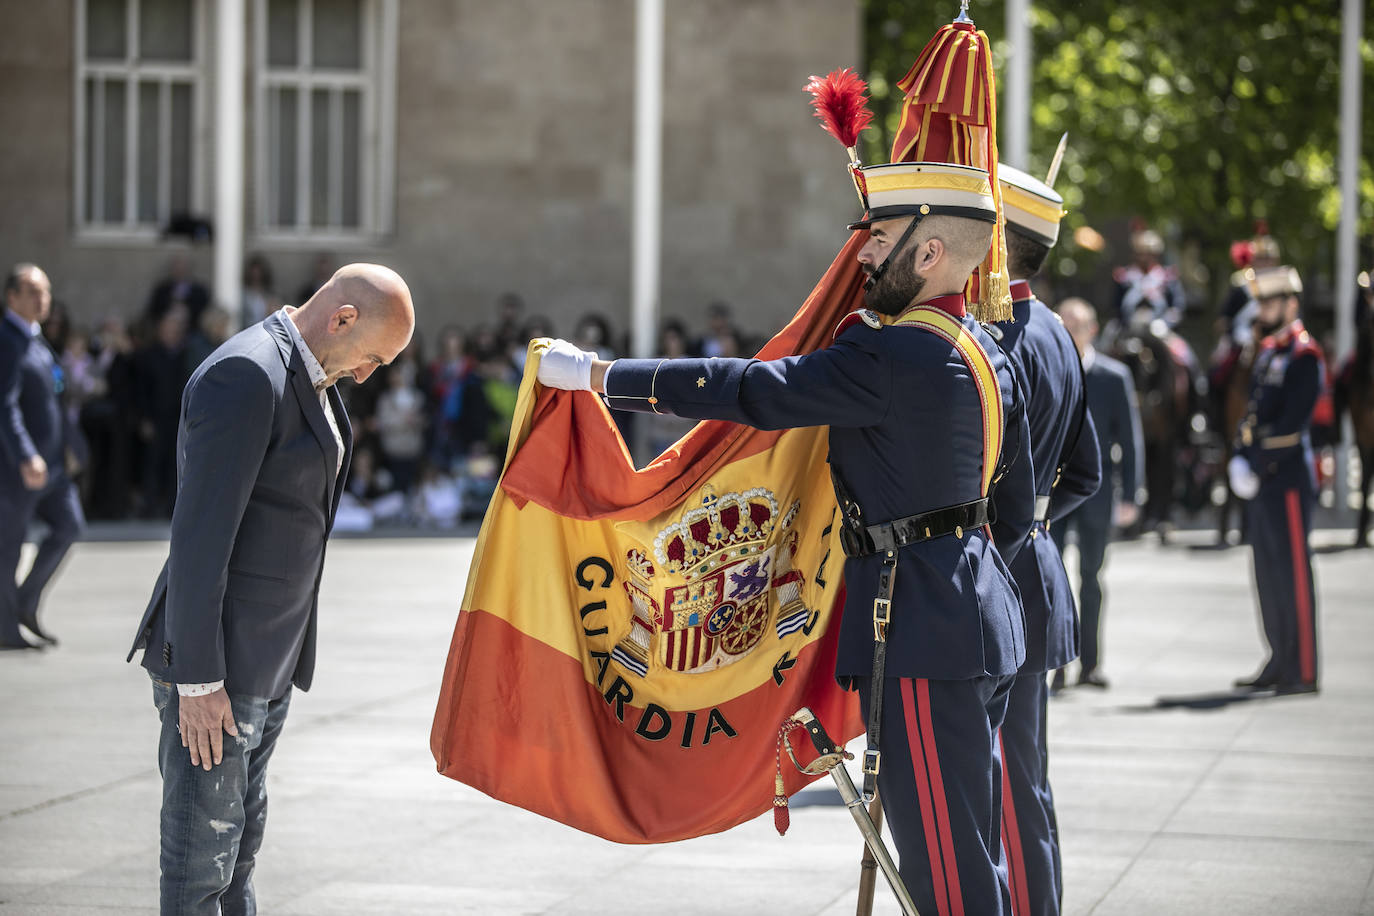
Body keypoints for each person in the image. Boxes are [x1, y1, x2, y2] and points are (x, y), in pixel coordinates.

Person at [538, 75, 1036, 913]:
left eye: (877, 241)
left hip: (921, 625)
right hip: (973, 612)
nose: (861, 256)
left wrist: (602, 375)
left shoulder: (898, 355)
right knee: (969, 849)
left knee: (947, 868)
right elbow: (1013, 503)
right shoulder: (983, 346)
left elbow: (755, 390)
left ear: (929, 253)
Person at [126, 263, 414, 914]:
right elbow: (200, 541)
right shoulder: (249, 375)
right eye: (371, 357)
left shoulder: (311, 372)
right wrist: (197, 682)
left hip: (267, 664)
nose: (368, 374)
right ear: (342, 318)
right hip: (218, 676)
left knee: (236, 861)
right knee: (201, 869)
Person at [988, 166, 1102, 916]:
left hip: (992, 584)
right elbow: (1085, 474)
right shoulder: (1059, 330)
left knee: (998, 774)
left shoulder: (993, 336)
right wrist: (1031, 521)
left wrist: (1005, 532)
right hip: (1035, 567)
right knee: (1023, 773)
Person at [1228, 266, 1322, 695]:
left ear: (1291, 305)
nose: (1264, 309)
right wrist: (1240, 454)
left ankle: (1302, 668)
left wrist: (1258, 458)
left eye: (1271, 302)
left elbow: (1293, 424)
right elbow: (1252, 414)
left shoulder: (1305, 355)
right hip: (1264, 479)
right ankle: (1278, 658)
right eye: (1262, 302)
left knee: (1293, 574)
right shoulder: (1267, 352)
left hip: (1286, 479)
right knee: (1266, 572)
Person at [1050, 299, 1144, 690]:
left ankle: (1091, 664)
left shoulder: (1113, 375)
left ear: (1093, 330)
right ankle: (1058, 664)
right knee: (1054, 580)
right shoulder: (1049, 367)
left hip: (1097, 492)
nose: (1072, 331)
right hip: (1054, 494)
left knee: (1091, 576)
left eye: (1079, 325)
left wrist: (1132, 493)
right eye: (1065, 324)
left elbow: (1130, 437)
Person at [0, 264, 86, 650]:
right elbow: (6, 405)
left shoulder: (36, 340)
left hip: (52, 467)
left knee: (70, 525)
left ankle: (23, 602)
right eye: (33, 291)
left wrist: (73, 446)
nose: (42, 299)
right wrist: (25, 454)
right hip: (18, 467)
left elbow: (55, 398)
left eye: (46, 291)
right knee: (9, 546)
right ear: (12, 297)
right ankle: (6, 629)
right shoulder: (7, 340)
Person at [1112, 228, 1185, 327]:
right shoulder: (1124, 277)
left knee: (1178, 343)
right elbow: (1115, 307)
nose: (1144, 258)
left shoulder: (1167, 278)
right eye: (1141, 253)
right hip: (1128, 328)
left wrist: (1165, 324)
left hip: (1161, 329)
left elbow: (1176, 308)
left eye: (1149, 254)